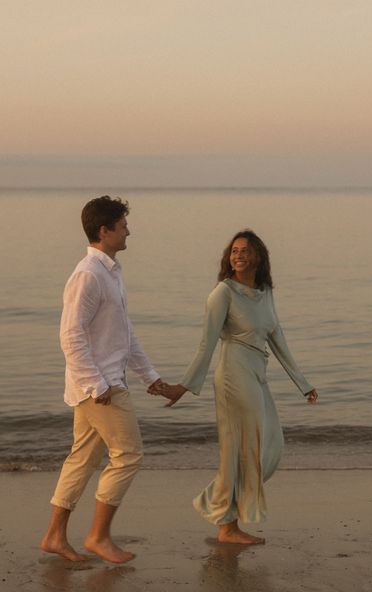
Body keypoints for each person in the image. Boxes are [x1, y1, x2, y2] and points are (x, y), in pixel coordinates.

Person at [153, 229, 318, 545]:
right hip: (233, 376)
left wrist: (303, 382)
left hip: (257, 375)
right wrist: (183, 387)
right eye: (234, 251)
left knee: (272, 446)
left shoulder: (265, 292)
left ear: (258, 255)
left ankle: (216, 504)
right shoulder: (222, 293)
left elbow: (277, 335)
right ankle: (226, 525)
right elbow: (207, 343)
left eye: (244, 250)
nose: (238, 255)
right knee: (240, 451)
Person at [40, 196, 172, 564]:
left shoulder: (111, 271)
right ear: (105, 230)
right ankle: (98, 536)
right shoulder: (88, 274)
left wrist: (151, 377)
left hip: (103, 383)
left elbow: (123, 334)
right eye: (123, 224)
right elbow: (70, 334)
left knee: (81, 460)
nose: (129, 229)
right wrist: (96, 385)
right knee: (129, 454)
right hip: (100, 388)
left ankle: (54, 536)